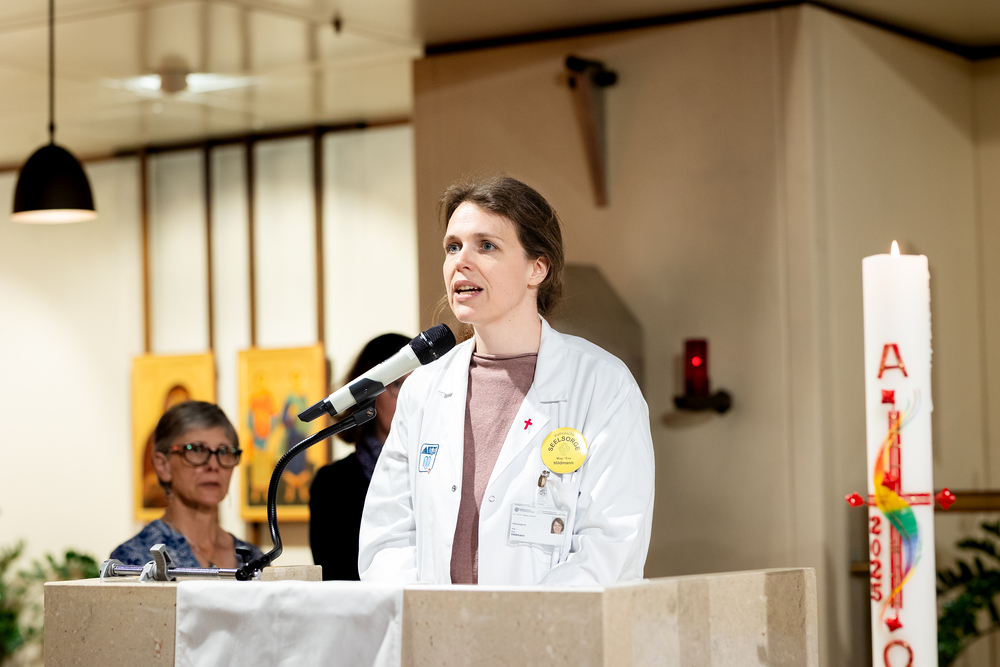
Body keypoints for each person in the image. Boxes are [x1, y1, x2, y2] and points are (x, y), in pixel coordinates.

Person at [359, 175, 655, 586]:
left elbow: (611, 547)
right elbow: (387, 539)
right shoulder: (424, 389)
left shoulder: (603, 386)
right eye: (453, 247)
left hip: (551, 626)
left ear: (537, 268)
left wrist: (517, 621)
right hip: (431, 625)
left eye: (486, 246)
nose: (461, 261)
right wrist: (428, 614)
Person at [111, 401, 263, 568]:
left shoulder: (254, 558)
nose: (213, 465)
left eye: (223, 451)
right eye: (196, 450)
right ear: (163, 465)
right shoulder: (135, 558)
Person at [309, 333, 411, 580]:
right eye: (398, 385)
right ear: (368, 396)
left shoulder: (441, 469)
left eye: (417, 385)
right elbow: (336, 576)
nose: (409, 397)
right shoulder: (333, 484)